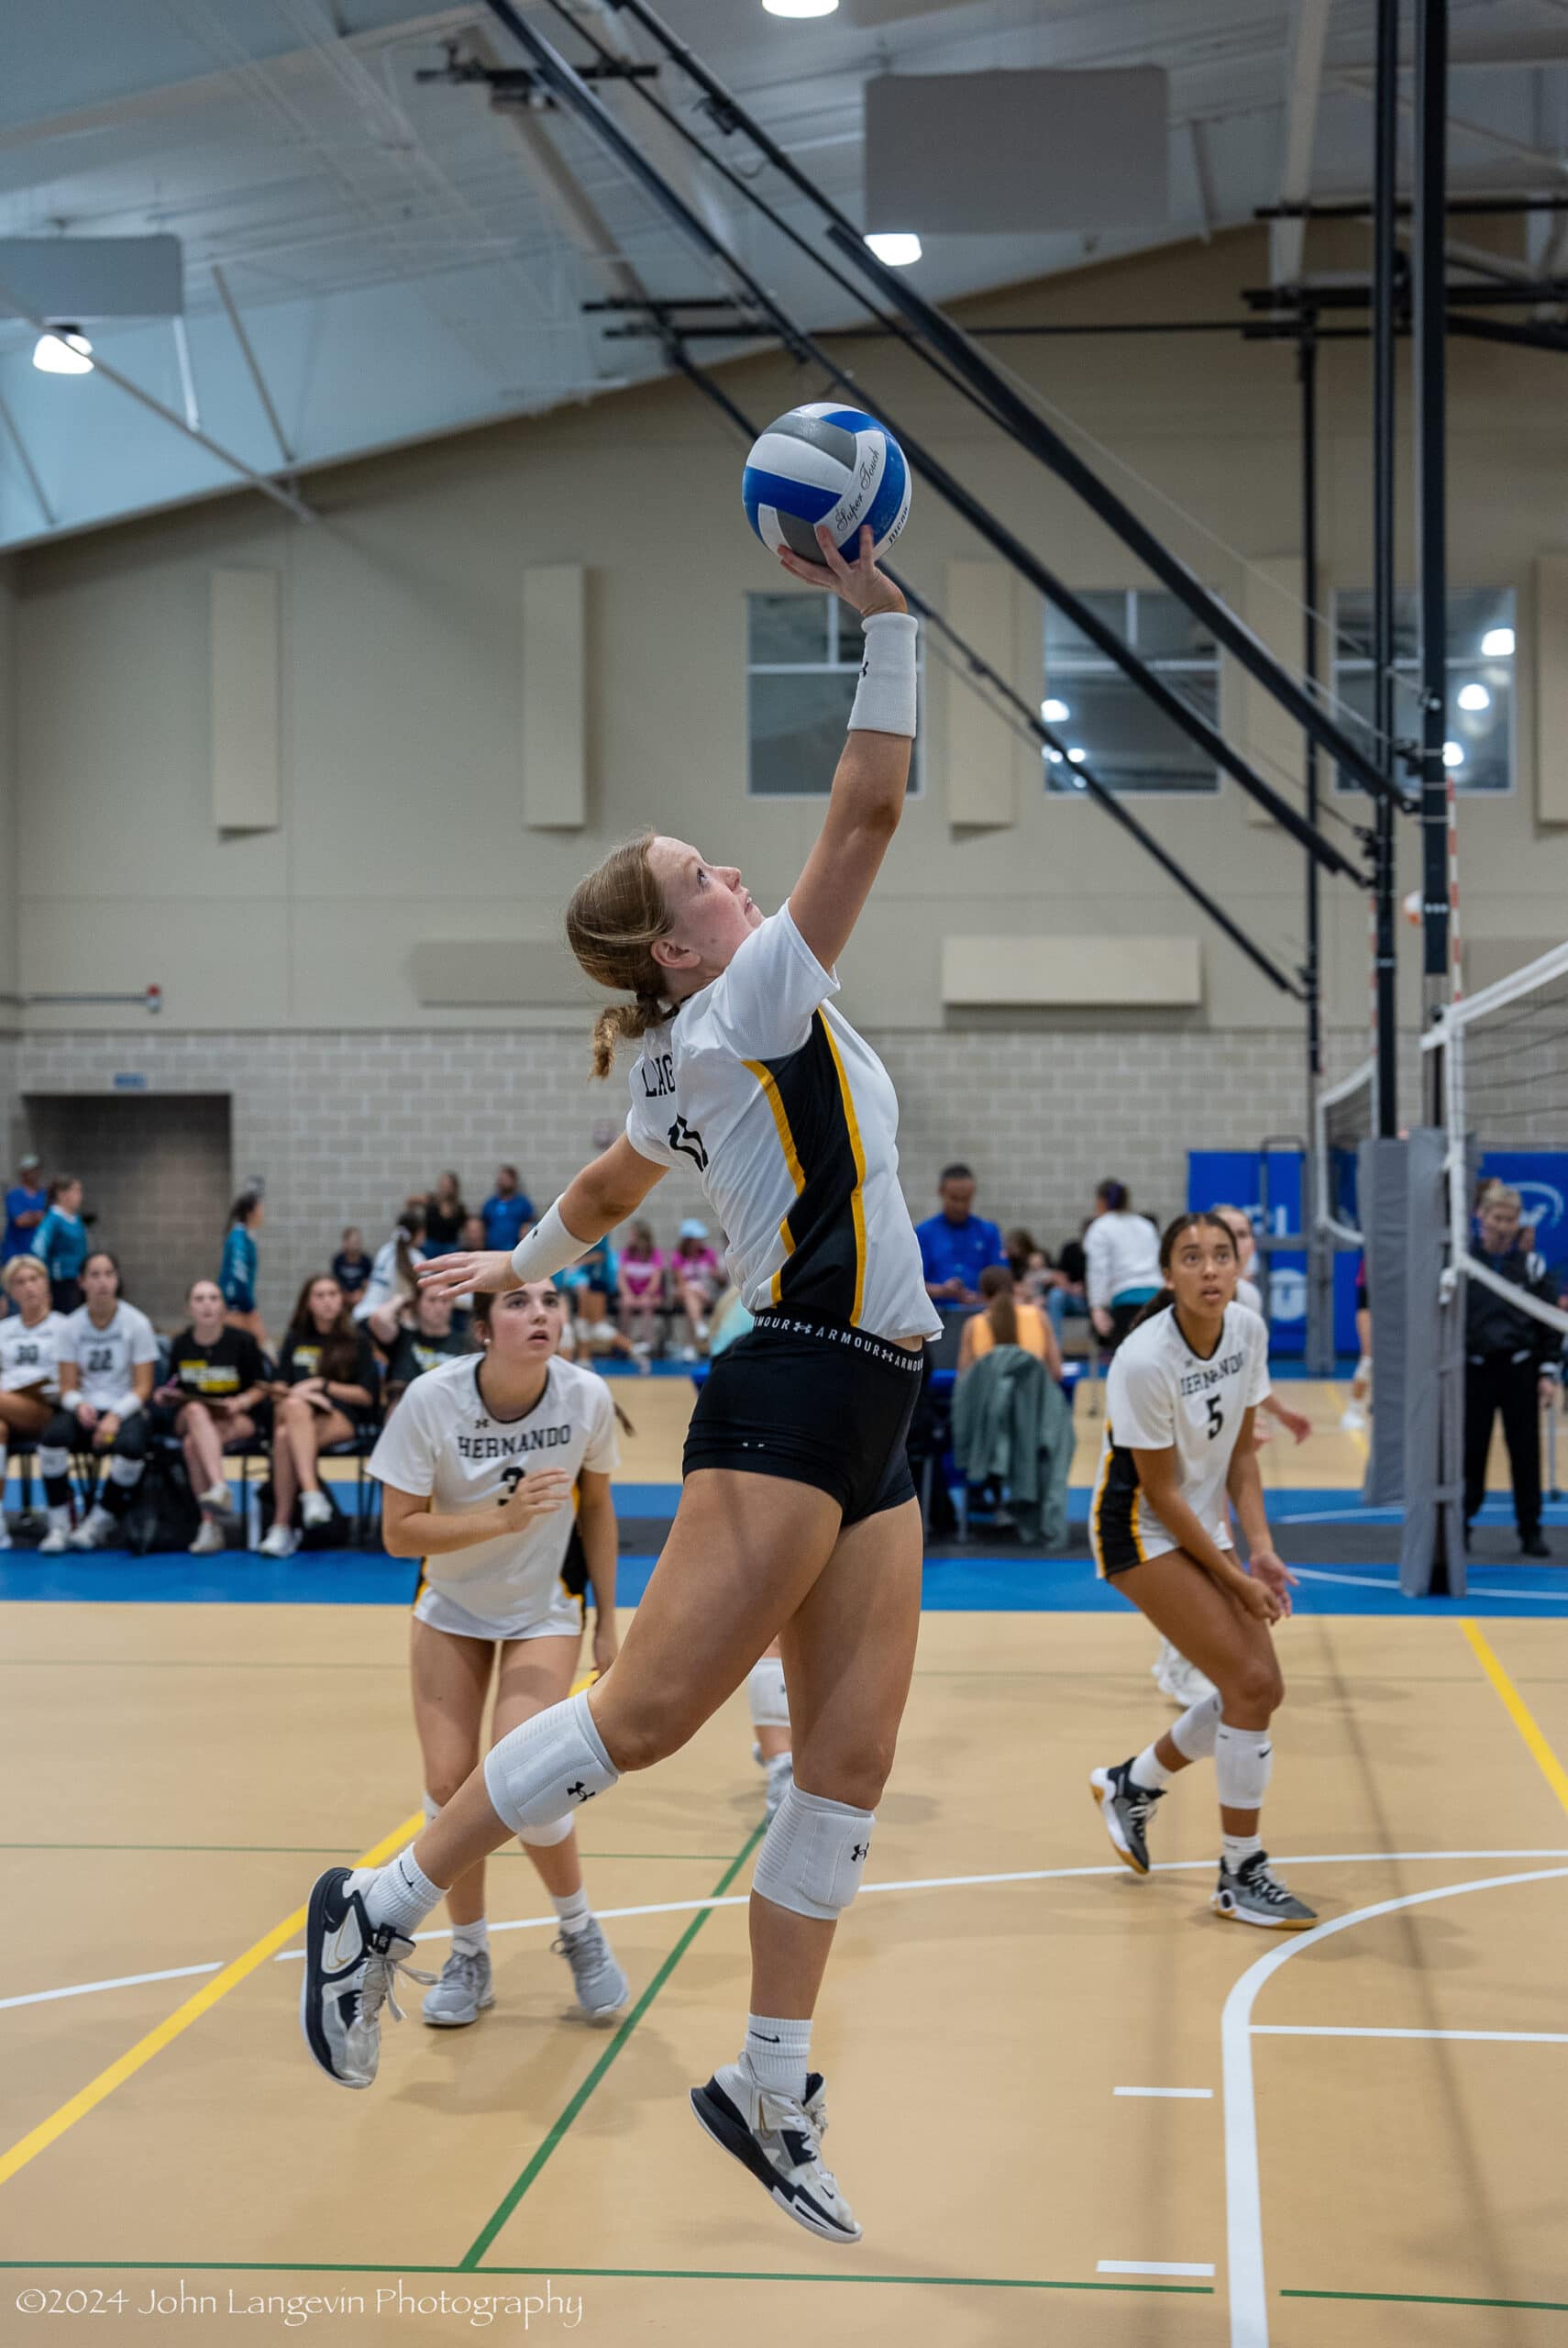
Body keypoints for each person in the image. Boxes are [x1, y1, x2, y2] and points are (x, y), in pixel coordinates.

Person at [299, 520, 935, 2248]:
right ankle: (380, 1903)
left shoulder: (683, 1050)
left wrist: (516, 1262)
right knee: (646, 1719)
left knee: (851, 1759)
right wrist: (883, 619)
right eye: (701, 873)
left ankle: (772, 2083)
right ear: (679, 948)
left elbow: (602, 1188)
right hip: (795, 1383)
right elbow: (867, 815)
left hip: (880, 1403)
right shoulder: (753, 1003)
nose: (732, 871)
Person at [367, 1279, 626, 2031]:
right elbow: (398, 1533)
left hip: (544, 1609)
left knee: (528, 1781)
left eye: (550, 1300)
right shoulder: (431, 1400)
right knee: (450, 1786)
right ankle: (467, 1953)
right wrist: (501, 1521)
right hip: (451, 1606)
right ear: (482, 1329)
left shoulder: (585, 1396)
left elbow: (599, 1507)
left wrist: (610, 1623)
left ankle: (579, 1928)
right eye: (517, 1303)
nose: (540, 1313)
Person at [1088, 1212, 1315, 1929]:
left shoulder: (1246, 1329)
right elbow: (1159, 1494)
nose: (1210, 1268)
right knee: (1250, 1684)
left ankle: (1133, 1783)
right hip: (1138, 1530)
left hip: (1199, 1520)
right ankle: (1239, 1872)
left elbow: (1242, 1454)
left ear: (1238, 1268)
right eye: (1192, 1258)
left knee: (1259, 1688)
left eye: (1221, 1255)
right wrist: (1234, 1578)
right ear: (1168, 1274)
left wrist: (1260, 1550)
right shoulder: (1143, 1359)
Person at [39, 1251, 160, 1555]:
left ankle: (99, 1521)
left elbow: (144, 1387)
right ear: (82, 1282)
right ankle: (59, 1525)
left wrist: (115, 1416)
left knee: (132, 1447)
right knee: (51, 1439)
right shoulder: (70, 1326)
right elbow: (66, 1387)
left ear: (117, 1280)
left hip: (125, 1406)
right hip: (87, 1407)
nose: (102, 1282)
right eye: (95, 1275)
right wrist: (79, 1405)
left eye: (108, 1274)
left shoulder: (137, 1323)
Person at [1463, 1184, 1560, 1558]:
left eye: (1510, 1219)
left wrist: (1547, 1372)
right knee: (1470, 1452)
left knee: (1525, 1453)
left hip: (1520, 1370)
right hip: (1475, 1372)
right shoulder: (1464, 1263)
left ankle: (1530, 1530)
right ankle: (1460, 1525)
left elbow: (1549, 1322)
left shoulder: (1532, 1267)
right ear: (1481, 1217)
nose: (1503, 1226)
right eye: (1497, 1218)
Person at [259, 1275, 380, 1558]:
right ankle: (311, 1497)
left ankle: (282, 1526)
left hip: (341, 1416)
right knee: (289, 1421)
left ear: (342, 1300)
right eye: (320, 1295)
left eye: (333, 1294)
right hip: (297, 1413)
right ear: (308, 1303)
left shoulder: (357, 1340)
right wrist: (300, 1394)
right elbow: (278, 1387)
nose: (327, 1301)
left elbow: (367, 1395)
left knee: (284, 1436)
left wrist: (321, 1386)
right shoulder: (295, 1339)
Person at [157, 1279, 270, 1556]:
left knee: (192, 1446)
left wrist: (241, 1402)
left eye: (213, 1298)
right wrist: (165, 1395)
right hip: (191, 1415)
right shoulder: (181, 1344)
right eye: (199, 1299)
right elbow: (173, 1383)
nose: (206, 1305)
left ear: (223, 1307)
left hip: (234, 1416)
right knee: (195, 1410)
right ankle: (219, 1486)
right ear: (188, 1308)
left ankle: (209, 1525)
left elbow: (262, 1387)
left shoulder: (243, 1341)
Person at [0, 1256, 69, 1549]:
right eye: (20, 1282)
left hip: (48, 1411)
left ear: (45, 1284)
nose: (28, 1287)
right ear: (11, 1291)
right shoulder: (4, 1330)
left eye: (34, 1279)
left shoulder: (64, 1326)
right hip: (8, 1409)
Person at [1085, 1180, 1162, 1353]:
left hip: (1125, 1301)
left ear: (1101, 1202)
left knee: (1126, 1359)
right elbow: (1160, 1262)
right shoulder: (1146, 1225)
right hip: (1156, 1298)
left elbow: (1099, 1270)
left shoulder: (1100, 1227)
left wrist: (1097, 1307)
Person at [370, 1286, 472, 1412]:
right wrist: (402, 1298)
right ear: (418, 1304)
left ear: (452, 1305)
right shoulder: (403, 1338)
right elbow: (378, 1319)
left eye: (445, 1300)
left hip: (449, 1410)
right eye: (431, 1300)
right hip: (407, 1409)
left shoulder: (465, 1343)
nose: (438, 1307)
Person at [915, 1166, 1007, 1306]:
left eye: (965, 1199)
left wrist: (979, 1298)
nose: (960, 1206)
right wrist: (942, 1291)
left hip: (980, 1313)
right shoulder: (923, 1233)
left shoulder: (989, 1232)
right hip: (937, 1313)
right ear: (941, 1192)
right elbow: (912, 1285)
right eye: (954, 1199)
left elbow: (1002, 1283)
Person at [956, 1261, 1060, 1375]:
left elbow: (964, 1377)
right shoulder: (1039, 1316)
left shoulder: (973, 1325)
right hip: (1032, 1386)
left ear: (983, 1295)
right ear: (1014, 1289)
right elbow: (1056, 1372)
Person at [353, 1210, 426, 1325]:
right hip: (379, 1319)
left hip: (361, 1314)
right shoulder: (416, 1258)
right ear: (419, 1233)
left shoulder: (384, 1250)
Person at [34, 1177, 89, 1316]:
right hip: (61, 1280)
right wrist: (44, 1275)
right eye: (75, 1191)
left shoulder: (75, 1218)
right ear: (61, 1194)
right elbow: (38, 1248)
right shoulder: (53, 1219)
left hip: (78, 1278)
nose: (80, 1196)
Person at [670, 1221, 723, 1362]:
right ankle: (698, 1328)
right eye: (696, 1239)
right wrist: (697, 1289)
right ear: (688, 1240)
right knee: (691, 1297)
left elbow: (720, 1281)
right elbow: (681, 1284)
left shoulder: (709, 1253)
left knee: (692, 1303)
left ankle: (690, 1345)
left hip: (707, 1294)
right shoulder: (678, 1256)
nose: (700, 1242)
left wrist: (715, 1274)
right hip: (687, 1293)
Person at [220, 1191, 266, 1347]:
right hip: (236, 1306)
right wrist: (248, 1307)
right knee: (256, 1348)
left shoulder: (244, 1237)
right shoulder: (239, 1239)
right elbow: (238, 1275)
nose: (263, 1213)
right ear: (250, 1212)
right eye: (260, 1209)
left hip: (241, 1304)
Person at [616, 1222, 667, 1357]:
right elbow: (621, 1279)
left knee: (646, 1304)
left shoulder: (655, 1254)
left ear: (641, 1236)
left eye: (632, 1234)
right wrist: (628, 1294)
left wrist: (646, 1294)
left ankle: (648, 1343)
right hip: (631, 1294)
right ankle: (624, 1344)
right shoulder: (626, 1253)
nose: (629, 1237)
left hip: (651, 1296)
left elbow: (655, 1281)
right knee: (625, 1304)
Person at [2, 1153, 48, 1268]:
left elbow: (48, 1218)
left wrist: (31, 1216)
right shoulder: (14, 1195)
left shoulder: (44, 1194)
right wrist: (37, 1217)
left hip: (37, 1254)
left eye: (36, 1170)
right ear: (23, 1173)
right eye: (31, 1170)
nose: (35, 1174)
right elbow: (20, 1221)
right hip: (15, 1253)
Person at [480, 1167, 535, 1256]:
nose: (503, 1182)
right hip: (492, 1250)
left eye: (506, 1179)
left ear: (514, 1181)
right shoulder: (490, 1203)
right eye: (501, 1179)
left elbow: (530, 1224)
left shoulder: (522, 1203)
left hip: (515, 1251)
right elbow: (483, 1224)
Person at [424, 1172, 468, 1257]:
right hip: (432, 1243)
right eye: (443, 1184)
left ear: (454, 1187)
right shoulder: (431, 1202)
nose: (445, 1188)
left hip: (449, 1245)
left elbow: (461, 1226)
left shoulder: (459, 1208)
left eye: (448, 1185)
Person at [332, 1228, 373, 1307]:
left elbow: (368, 1282)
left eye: (357, 1242)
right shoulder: (338, 1260)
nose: (355, 1246)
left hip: (360, 1296)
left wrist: (361, 1293)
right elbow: (336, 1281)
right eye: (352, 1242)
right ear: (345, 1242)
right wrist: (346, 1295)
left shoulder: (366, 1260)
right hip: (343, 1295)